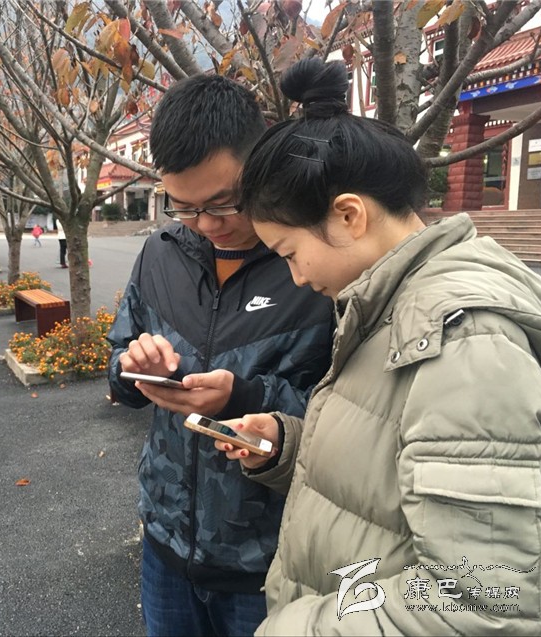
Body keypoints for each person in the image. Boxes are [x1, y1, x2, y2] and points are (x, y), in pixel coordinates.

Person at [216, 57, 541, 635]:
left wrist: (296, 627)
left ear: (349, 215)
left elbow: (488, 598)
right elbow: (392, 469)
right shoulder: (388, 308)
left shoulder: (464, 342)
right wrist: (288, 447)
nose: (296, 277)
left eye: (289, 253)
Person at [106, 74, 335, 637]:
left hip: (272, 559)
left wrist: (243, 396)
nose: (208, 225)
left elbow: (353, 415)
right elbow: (118, 365)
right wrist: (134, 370)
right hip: (166, 543)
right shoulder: (160, 253)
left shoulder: (315, 264)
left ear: (261, 164)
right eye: (184, 207)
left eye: (223, 202)